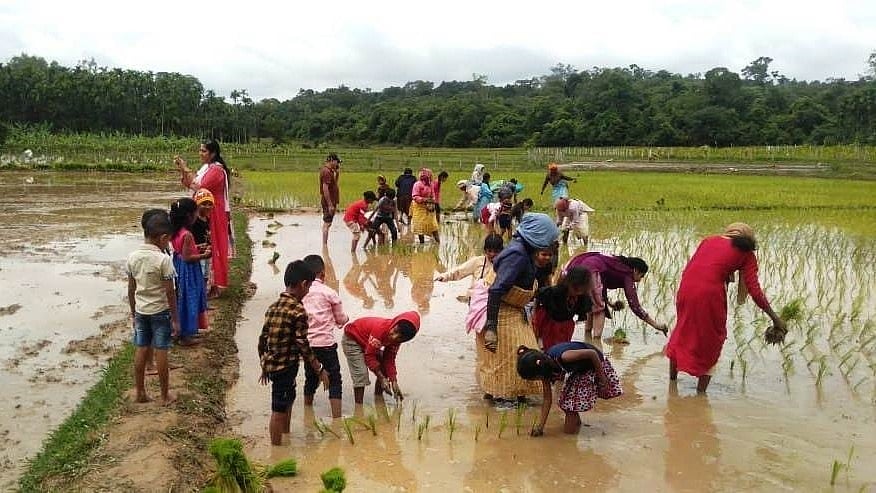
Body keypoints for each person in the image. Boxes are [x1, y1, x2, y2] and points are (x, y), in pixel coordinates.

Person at [665, 223, 786, 393]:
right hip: (709, 295)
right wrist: (775, 318)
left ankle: (672, 383)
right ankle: (701, 394)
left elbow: (703, 266)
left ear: (729, 232)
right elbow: (754, 289)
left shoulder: (709, 240)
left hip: (685, 288)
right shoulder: (746, 254)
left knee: (682, 330)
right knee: (713, 338)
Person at [478, 213, 559, 402]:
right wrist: (491, 328)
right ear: (539, 235)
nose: (552, 242)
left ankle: (513, 397)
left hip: (514, 310)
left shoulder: (527, 251)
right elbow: (496, 290)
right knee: (506, 359)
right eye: (549, 238)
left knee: (516, 355)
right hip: (501, 312)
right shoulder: (517, 255)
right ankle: (502, 400)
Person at [258, 260, 330, 445]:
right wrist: (319, 369)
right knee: (278, 408)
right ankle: (277, 450)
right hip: (285, 366)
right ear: (304, 284)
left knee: (288, 399)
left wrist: (264, 366)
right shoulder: (298, 310)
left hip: (273, 364)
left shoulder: (273, 307)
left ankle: (286, 437)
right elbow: (302, 344)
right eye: (309, 287)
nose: (308, 292)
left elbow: (262, 339)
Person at [127, 210, 179, 406]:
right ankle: (165, 395)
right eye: (168, 241)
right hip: (160, 312)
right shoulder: (163, 260)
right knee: (161, 350)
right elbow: (170, 292)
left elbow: (131, 289)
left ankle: (140, 392)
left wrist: (133, 313)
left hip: (141, 311)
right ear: (163, 238)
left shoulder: (132, 257)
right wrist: (175, 318)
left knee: (141, 349)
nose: (168, 245)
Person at [517, 343, 622, 436]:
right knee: (565, 402)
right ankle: (576, 425)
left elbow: (592, 353)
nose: (536, 380)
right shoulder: (545, 368)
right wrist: (540, 427)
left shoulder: (564, 357)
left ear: (539, 372)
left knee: (570, 407)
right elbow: (547, 399)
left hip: (594, 365)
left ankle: (570, 436)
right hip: (579, 369)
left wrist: (602, 377)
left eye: (535, 378)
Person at [562, 252, 668, 338]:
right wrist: (656, 325)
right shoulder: (628, 274)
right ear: (635, 270)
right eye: (641, 276)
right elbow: (635, 305)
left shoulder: (615, 263)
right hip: (591, 270)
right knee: (599, 309)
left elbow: (599, 288)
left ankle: (588, 338)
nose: (639, 280)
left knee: (592, 305)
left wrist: (610, 304)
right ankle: (597, 343)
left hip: (578, 266)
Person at [175, 139, 230, 296]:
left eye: (204, 151)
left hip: (211, 210)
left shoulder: (216, 171)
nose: (200, 153)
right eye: (200, 150)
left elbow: (199, 187)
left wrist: (186, 168)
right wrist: (182, 170)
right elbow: (189, 183)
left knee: (210, 244)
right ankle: (203, 284)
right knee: (199, 242)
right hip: (201, 211)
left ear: (213, 153)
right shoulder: (206, 168)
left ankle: (212, 285)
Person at [302, 254, 349, 418]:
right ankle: (337, 418)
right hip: (326, 345)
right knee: (335, 379)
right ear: (323, 274)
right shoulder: (330, 293)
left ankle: (307, 411)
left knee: (310, 377)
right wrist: (345, 319)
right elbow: (340, 319)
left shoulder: (302, 293)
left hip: (307, 345)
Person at [341, 311, 420, 404]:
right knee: (361, 374)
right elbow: (369, 356)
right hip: (352, 339)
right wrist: (382, 378)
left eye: (399, 338)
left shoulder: (395, 341)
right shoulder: (381, 329)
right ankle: (359, 409)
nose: (394, 337)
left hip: (368, 343)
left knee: (384, 368)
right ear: (395, 324)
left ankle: (378, 397)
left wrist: (394, 380)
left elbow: (389, 359)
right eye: (395, 331)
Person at [169, 198, 210, 345]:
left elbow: (182, 252)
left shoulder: (176, 232)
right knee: (189, 299)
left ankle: (181, 332)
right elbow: (188, 257)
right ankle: (186, 335)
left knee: (181, 298)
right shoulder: (187, 235)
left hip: (178, 266)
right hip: (189, 271)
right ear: (189, 216)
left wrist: (197, 248)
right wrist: (204, 255)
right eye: (195, 213)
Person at [532, 267, 593, 350]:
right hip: (549, 322)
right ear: (568, 284)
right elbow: (538, 295)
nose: (577, 293)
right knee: (546, 347)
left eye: (581, 291)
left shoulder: (583, 297)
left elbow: (585, 310)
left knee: (562, 348)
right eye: (575, 289)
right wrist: (534, 315)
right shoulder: (555, 292)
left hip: (566, 325)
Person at [435, 233, 504, 295]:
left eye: (496, 251)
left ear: (502, 251)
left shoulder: (505, 265)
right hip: (475, 300)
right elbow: (460, 271)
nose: (492, 254)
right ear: (485, 250)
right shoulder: (478, 261)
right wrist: (444, 276)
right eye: (489, 251)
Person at [191, 189, 214, 297]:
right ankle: (198, 298)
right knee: (198, 276)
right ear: (197, 204)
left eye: (210, 204)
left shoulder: (207, 218)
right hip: (197, 253)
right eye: (204, 204)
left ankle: (203, 298)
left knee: (205, 275)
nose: (207, 207)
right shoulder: (193, 220)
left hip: (206, 253)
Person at [411, 168, 440, 244]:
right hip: (419, 208)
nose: (429, 177)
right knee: (420, 227)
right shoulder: (417, 184)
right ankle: (422, 243)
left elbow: (433, 195)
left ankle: (438, 243)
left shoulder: (431, 184)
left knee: (434, 226)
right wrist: (424, 200)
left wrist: (432, 202)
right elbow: (415, 196)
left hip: (429, 208)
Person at [318, 153, 341, 246]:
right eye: (336, 162)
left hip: (332, 200)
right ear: (331, 160)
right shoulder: (326, 172)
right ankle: (324, 245)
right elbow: (325, 188)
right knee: (327, 223)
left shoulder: (330, 171)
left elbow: (334, 184)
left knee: (328, 223)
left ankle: (325, 243)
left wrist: (337, 173)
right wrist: (330, 204)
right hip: (329, 201)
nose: (337, 164)